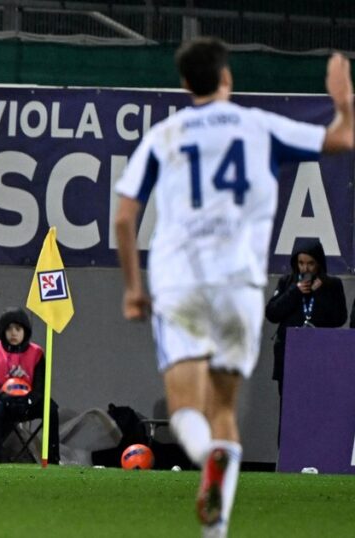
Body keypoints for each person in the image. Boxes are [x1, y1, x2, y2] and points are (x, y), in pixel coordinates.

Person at [114, 37, 353, 538]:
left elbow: (124, 216)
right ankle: (216, 524)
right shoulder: (257, 126)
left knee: (185, 409)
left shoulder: (165, 134)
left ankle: (206, 457)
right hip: (239, 285)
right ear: (227, 78)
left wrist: (134, 287)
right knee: (224, 407)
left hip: (180, 282)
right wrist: (343, 100)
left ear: (184, 83)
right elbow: (342, 138)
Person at [265, 239, 347, 400]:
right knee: (289, 406)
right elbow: (272, 313)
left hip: (320, 356)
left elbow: (340, 318)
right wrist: (294, 292)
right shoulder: (287, 282)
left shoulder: (332, 285)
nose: (305, 268)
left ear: (318, 263)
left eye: (310, 263)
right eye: (301, 263)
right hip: (290, 356)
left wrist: (320, 293)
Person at [0, 308, 59, 464]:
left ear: (25, 331)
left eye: (18, 329)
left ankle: (53, 458)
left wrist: (29, 400)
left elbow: (41, 387)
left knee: (51, 408)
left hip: (27, 402)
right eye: (8, 329)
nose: (13, 333)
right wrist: (4, 397)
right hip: (0, 400)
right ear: (2, 331)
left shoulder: (37, 353)